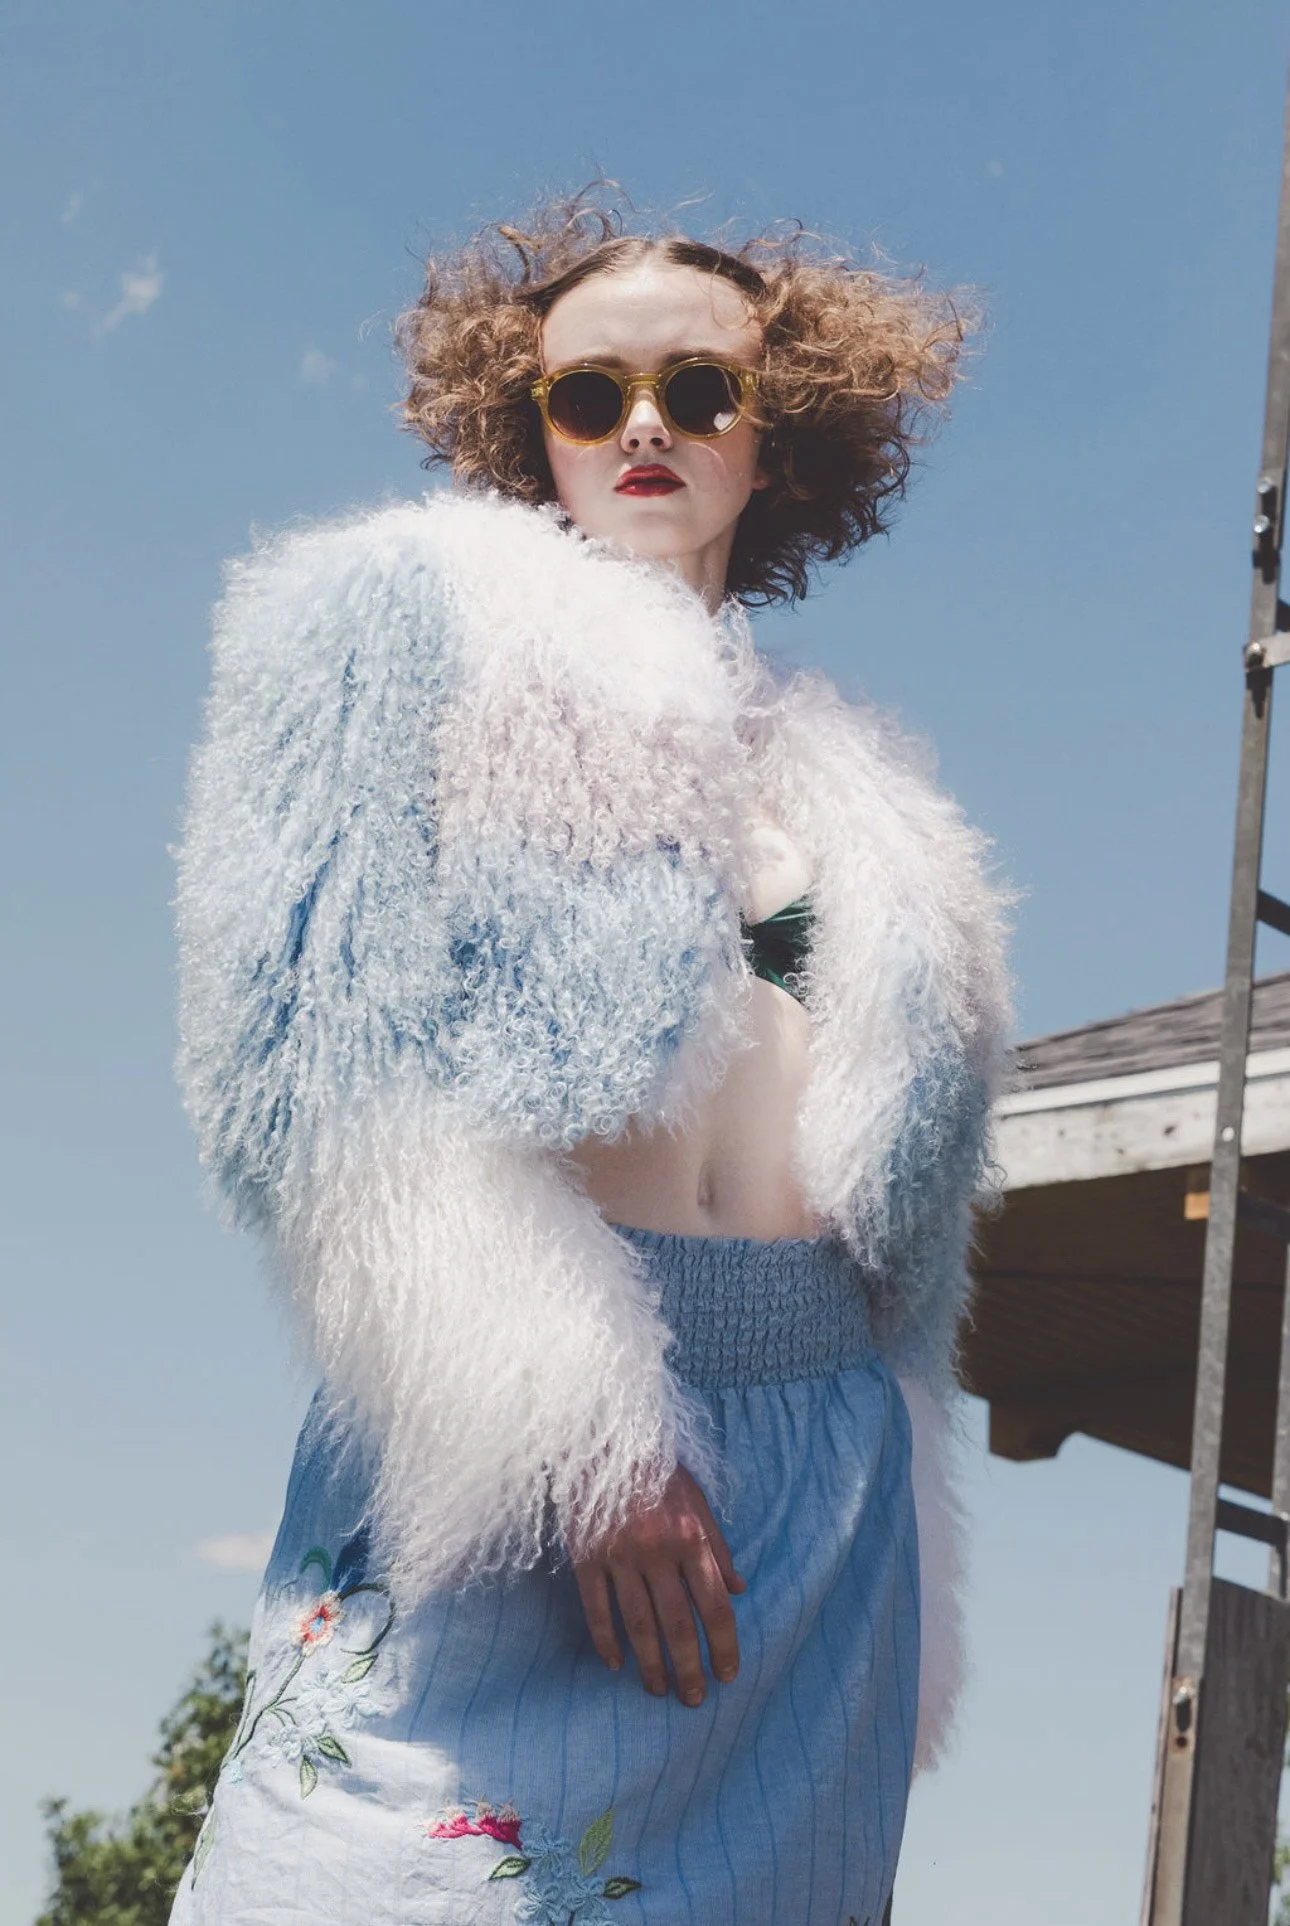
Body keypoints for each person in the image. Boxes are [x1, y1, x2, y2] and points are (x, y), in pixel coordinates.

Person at [169, 193, 1011, 1926]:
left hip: (818, 1513)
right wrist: (580, 1433)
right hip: (516, 1442)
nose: (644, 425)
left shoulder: (880, 803)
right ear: (521, 428)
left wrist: (898, 1544)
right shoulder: (387, 630)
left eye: (700, 390)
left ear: (775, 440)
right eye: (588, 393)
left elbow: (903, 1254)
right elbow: (302, 1078)